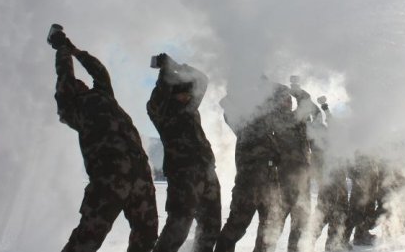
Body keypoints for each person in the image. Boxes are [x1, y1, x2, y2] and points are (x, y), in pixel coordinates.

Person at [49, 25, 158, 252]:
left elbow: (99, 72)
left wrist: (75, 50)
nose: (82, 82)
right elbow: (65, 75)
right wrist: (61, 49)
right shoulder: (72, 106)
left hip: (139, 173)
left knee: (146, 237)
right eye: (77, 84)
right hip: (108, 177)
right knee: (86, 241)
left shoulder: (102, 94)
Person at [147, 53, 221, 252]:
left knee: (211, 226)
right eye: (183, 93)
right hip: (182, 173)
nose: (188, 96)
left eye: (189, 93)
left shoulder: (190, 109)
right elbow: (160, 94)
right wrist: (165, 70)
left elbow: (202, 80)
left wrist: (180, 66)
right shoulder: (161, 111)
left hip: (206, 171)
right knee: (178, 227)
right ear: (172, 92)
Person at [214, 78, 285, 252]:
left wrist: (265, 81)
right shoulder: (243, 125)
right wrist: (240, 82)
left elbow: (280, 93)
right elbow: (228, 105)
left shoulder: (269, 130)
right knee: (236, 227)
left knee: (270, 228)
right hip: (249, 185)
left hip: (270, 185)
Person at [266, 75, 320, 252]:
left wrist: (295, 90)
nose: (288, 102)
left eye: (289, 99)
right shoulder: (278, 118)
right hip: (285, 178)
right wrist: (296, 90)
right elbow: (305, 104)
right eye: (284, 99)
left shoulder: (296, 118)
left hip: (301, 177)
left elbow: (311, 108)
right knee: (277, 220)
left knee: (301, 219)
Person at [310, 96, 350, 252]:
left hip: (338, 176)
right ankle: (307, 242)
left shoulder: (325, 130)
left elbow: (334, 126)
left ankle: (332, 245)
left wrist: (325, 107)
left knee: (340, 211)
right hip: (327, 178)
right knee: (324, 211)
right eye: (318, 115)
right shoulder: (313, 133)